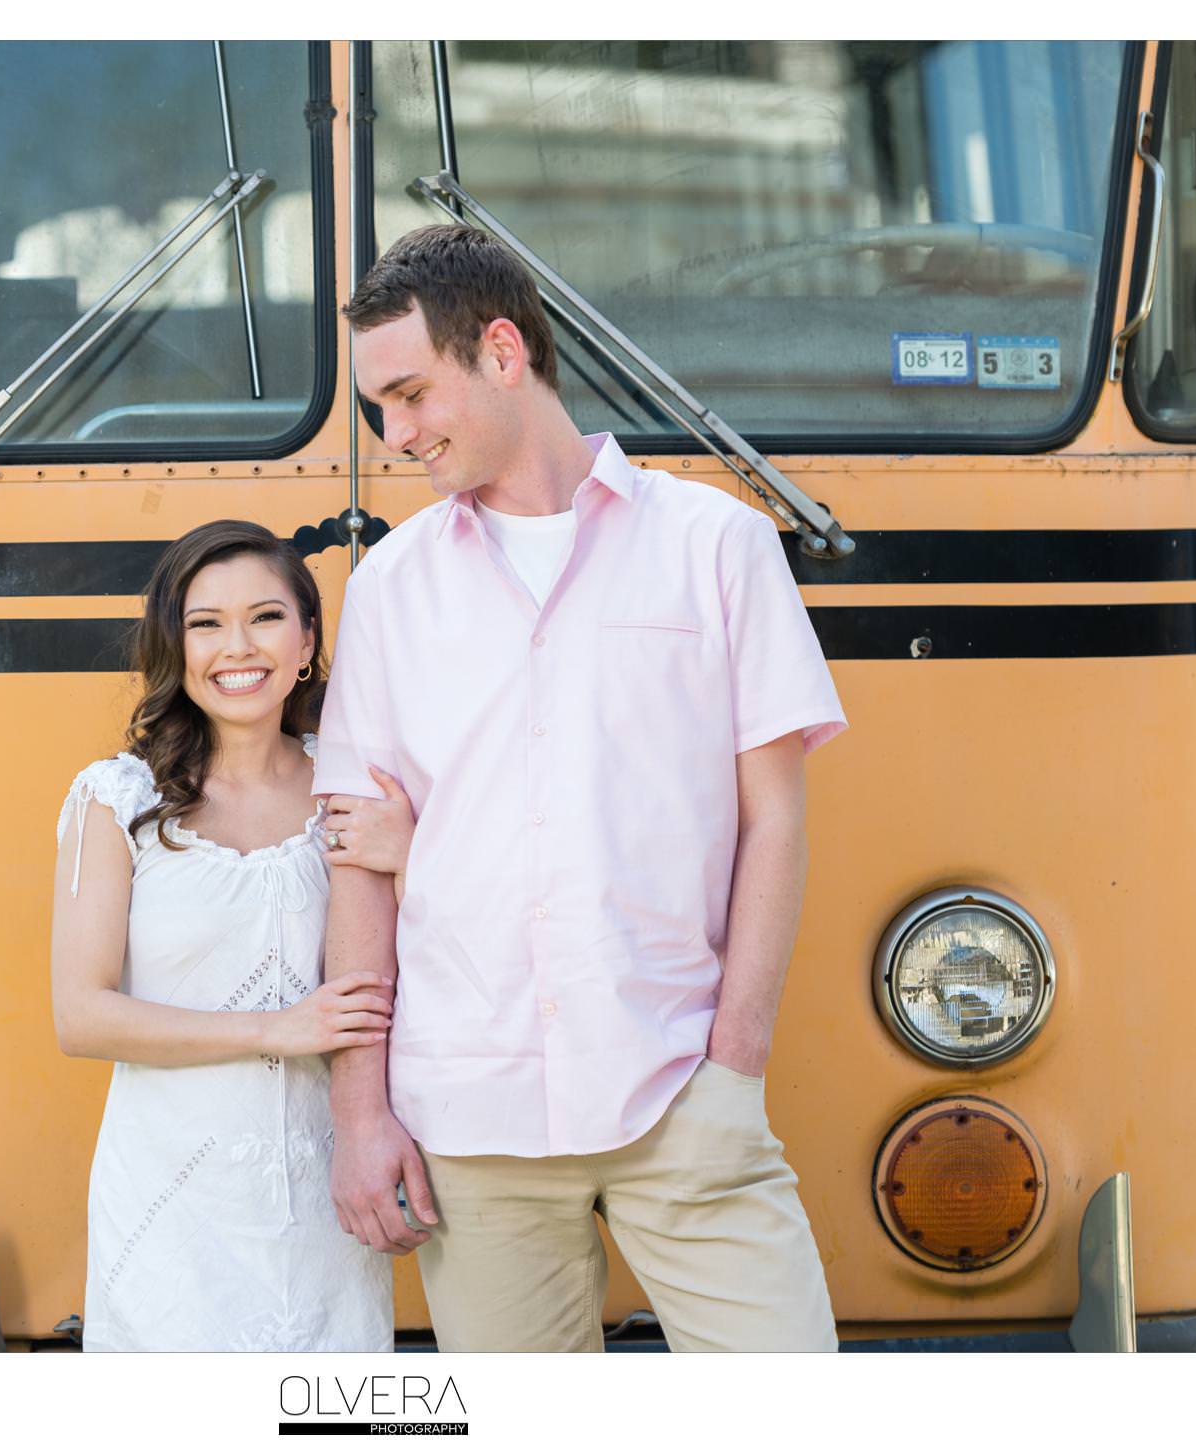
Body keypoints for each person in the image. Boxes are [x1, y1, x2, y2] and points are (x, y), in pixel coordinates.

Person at [313, 224, 847, 1352]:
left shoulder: (716, 547)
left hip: (674, 1093)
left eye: (409, 395)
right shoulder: (390, 589)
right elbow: (355, 863)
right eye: (379, 410)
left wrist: (733, 1063)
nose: (393, 435)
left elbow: (775, 819)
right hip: (470, 1117)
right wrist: (360, 1116)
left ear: (501, 353)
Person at [51, 519, 417, 1352]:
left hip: (324, 1197)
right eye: (204, 623)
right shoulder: (116, 798)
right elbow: (82, 1015)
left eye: (266, 616)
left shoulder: (356, 786)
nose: (236, 646)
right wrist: (275, 1028)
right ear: (173, 647)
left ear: (307, 640)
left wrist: (417, 854)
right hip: (170, 1205)